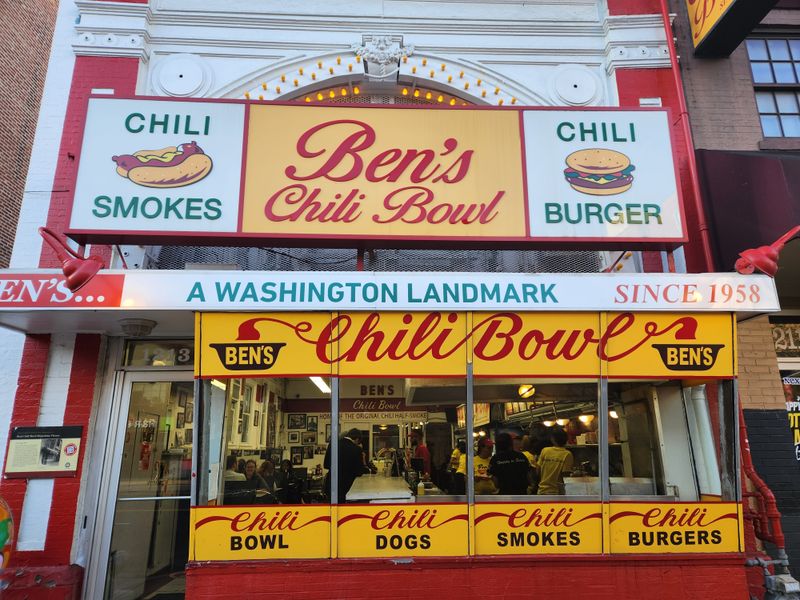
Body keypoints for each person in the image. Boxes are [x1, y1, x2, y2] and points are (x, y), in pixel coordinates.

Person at [323, 428, 367, 503]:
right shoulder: (357, 449)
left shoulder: (333, 444)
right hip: (347, 487)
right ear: (357, 439)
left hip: (331, 485)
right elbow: (359, 472)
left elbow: (326, 465)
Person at [535, 427, 574, 495]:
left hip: (542, 491)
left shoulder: (545, 450)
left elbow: (538, 470)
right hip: (556, 492)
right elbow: (565, 476)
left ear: (553, 439)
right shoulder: (567, 454)